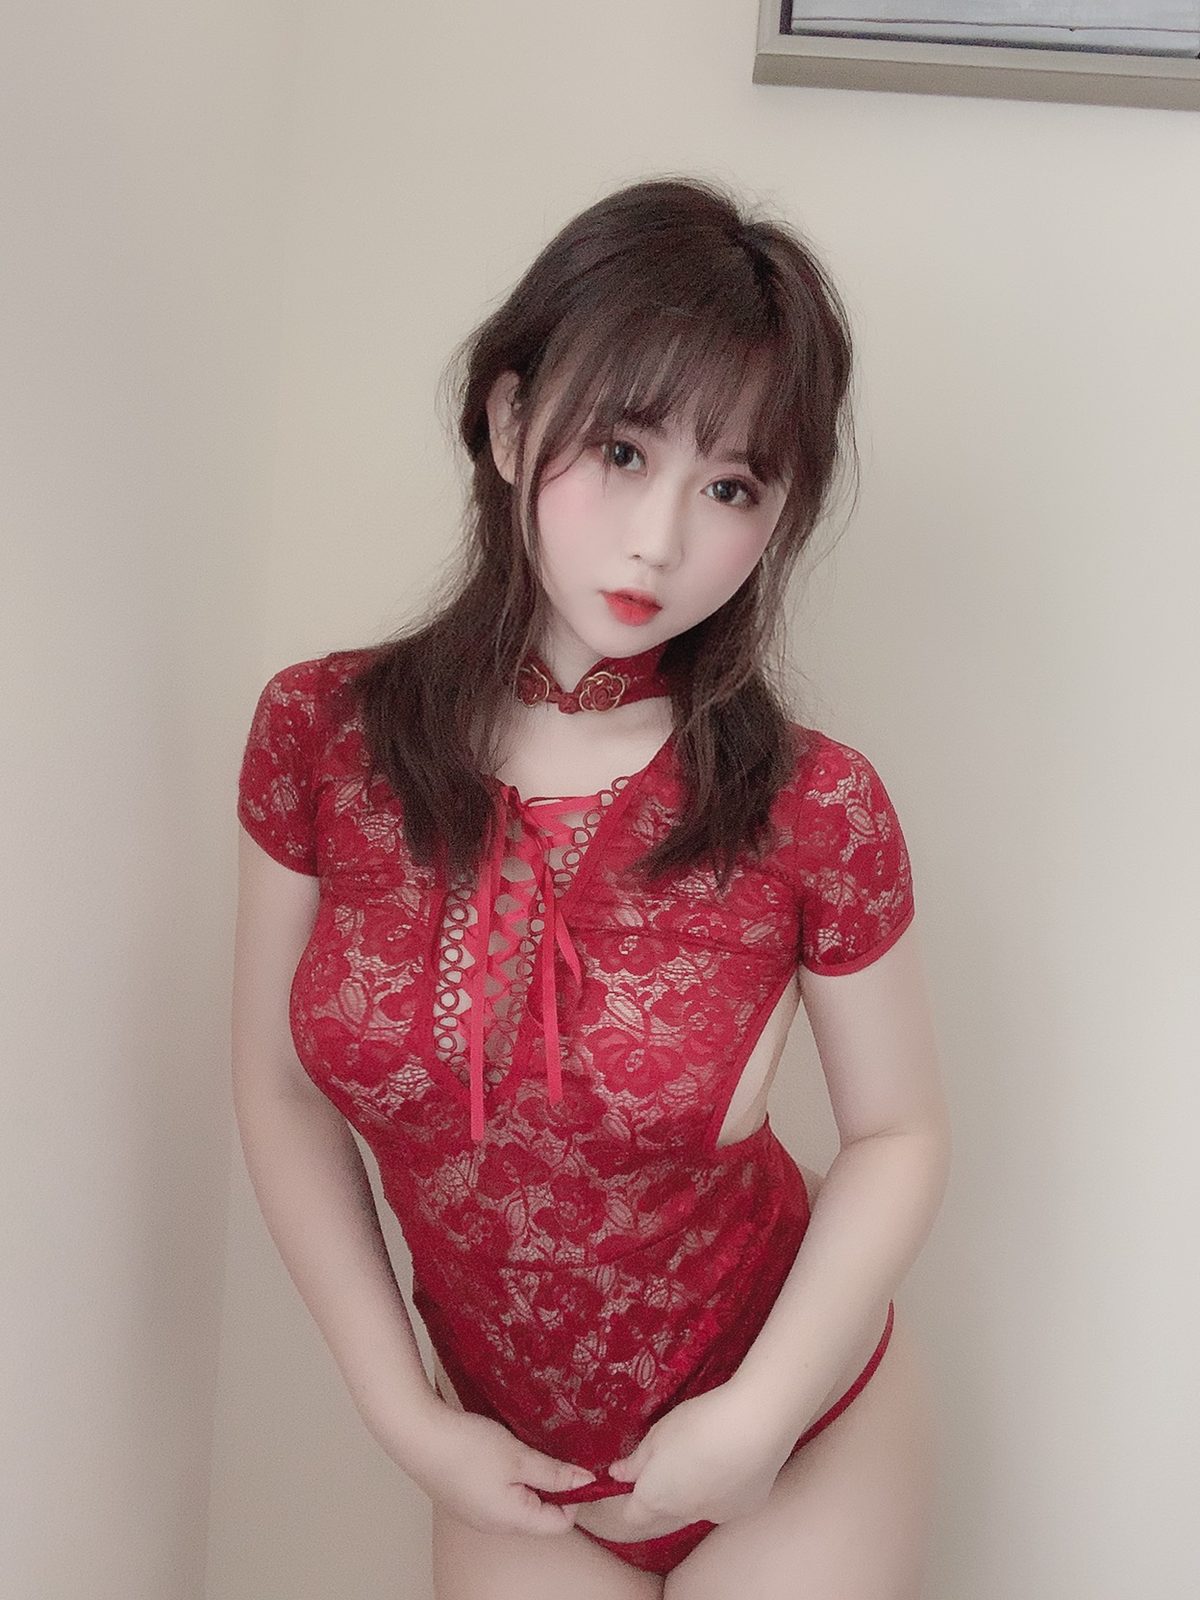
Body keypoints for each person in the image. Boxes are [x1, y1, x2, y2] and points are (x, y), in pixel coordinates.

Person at [232, 175, 951, 1598]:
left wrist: (756, 1422)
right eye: (622, 451)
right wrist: (407, 1417)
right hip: (511, 1457)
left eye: (731, 486)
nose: (659, 539)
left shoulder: (814, 804)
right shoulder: (320, 735)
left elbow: (900, 1134)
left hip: (793, 1431)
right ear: (510, 422)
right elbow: (278, 1087)